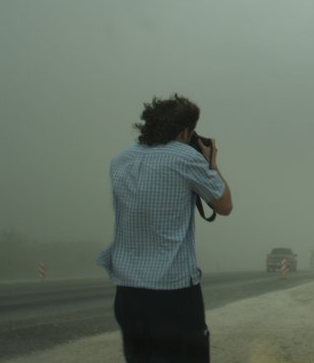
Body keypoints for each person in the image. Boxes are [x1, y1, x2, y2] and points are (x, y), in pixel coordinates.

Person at [97, 94, 233, 362]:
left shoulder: (120, 160)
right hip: (173, 292)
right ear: (184, 130)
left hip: (128, 291)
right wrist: (212, 163)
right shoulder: (185, 158)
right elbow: (225, 205)